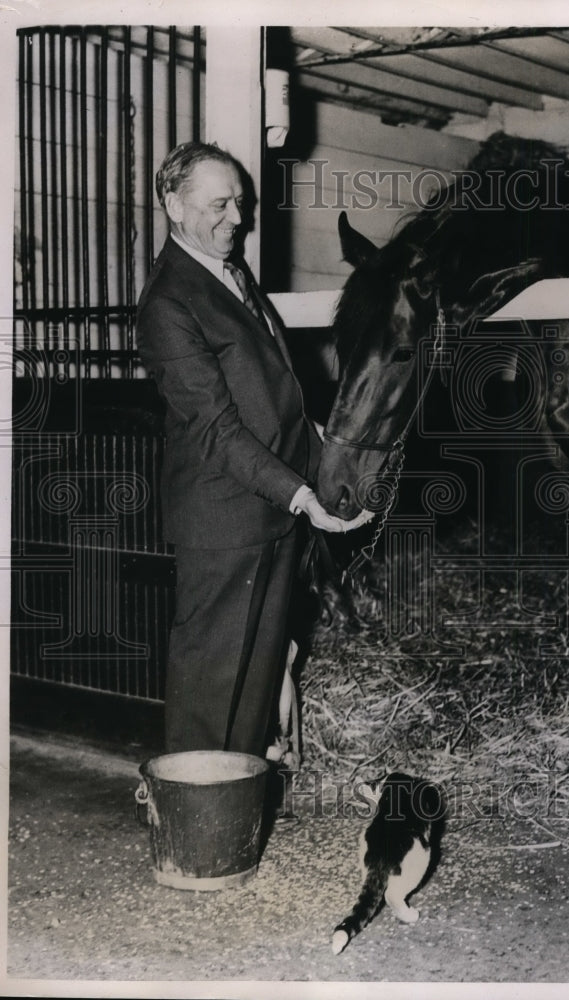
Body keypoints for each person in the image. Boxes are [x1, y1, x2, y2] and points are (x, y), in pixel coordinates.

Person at [136, 141, 369, 758]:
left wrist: (325, 463)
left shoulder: (231, 272)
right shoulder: (168, 303)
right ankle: (192, 833)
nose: (237, 218)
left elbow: (278, 396)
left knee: (258, 676)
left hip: (271, 511)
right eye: (219, 204)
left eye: (239, 202)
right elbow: (216, 428)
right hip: (222, 519)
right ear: (174, 205)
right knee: (211, 683)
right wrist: (302, 495)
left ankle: (234, 809)